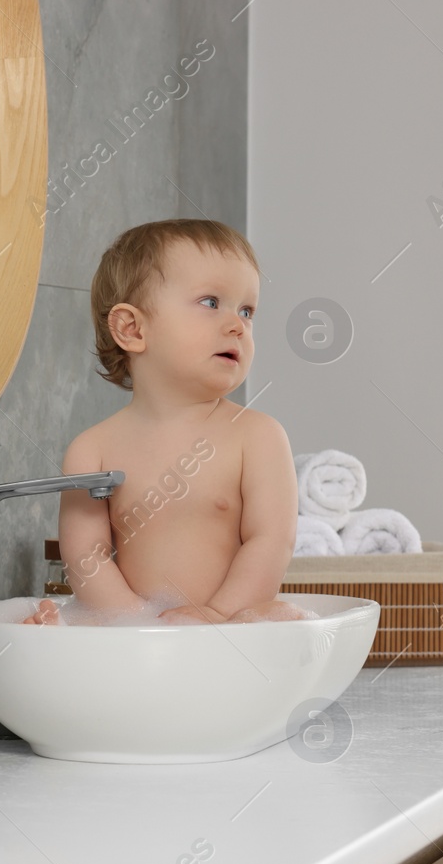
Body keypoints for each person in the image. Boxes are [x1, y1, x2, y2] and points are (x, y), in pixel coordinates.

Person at [23, 219, 308, 626]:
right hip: (142, 634)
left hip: (233, 633)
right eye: (211, 302)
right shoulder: (93, 449)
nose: (238, 325)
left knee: (284, 618)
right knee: (49, 626)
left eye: (247, 310)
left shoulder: (257, 436)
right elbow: (87, 555)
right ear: (132, 328)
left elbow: (272, 542)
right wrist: (135, 622)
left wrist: (216, 615)